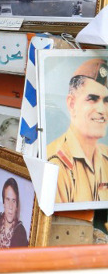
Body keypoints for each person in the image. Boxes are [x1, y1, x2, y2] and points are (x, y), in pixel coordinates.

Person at [47, 58, 108, 203]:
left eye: (107, 101)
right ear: (72, 104)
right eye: (92, 99)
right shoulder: (55, 165)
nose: (102, 110)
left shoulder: (106, 156)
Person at [0, 177, 30, 248]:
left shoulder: (21, 232)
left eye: (13, 201)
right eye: (7, 200)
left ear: (16, 206)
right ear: (3, 203)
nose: (10, 206)